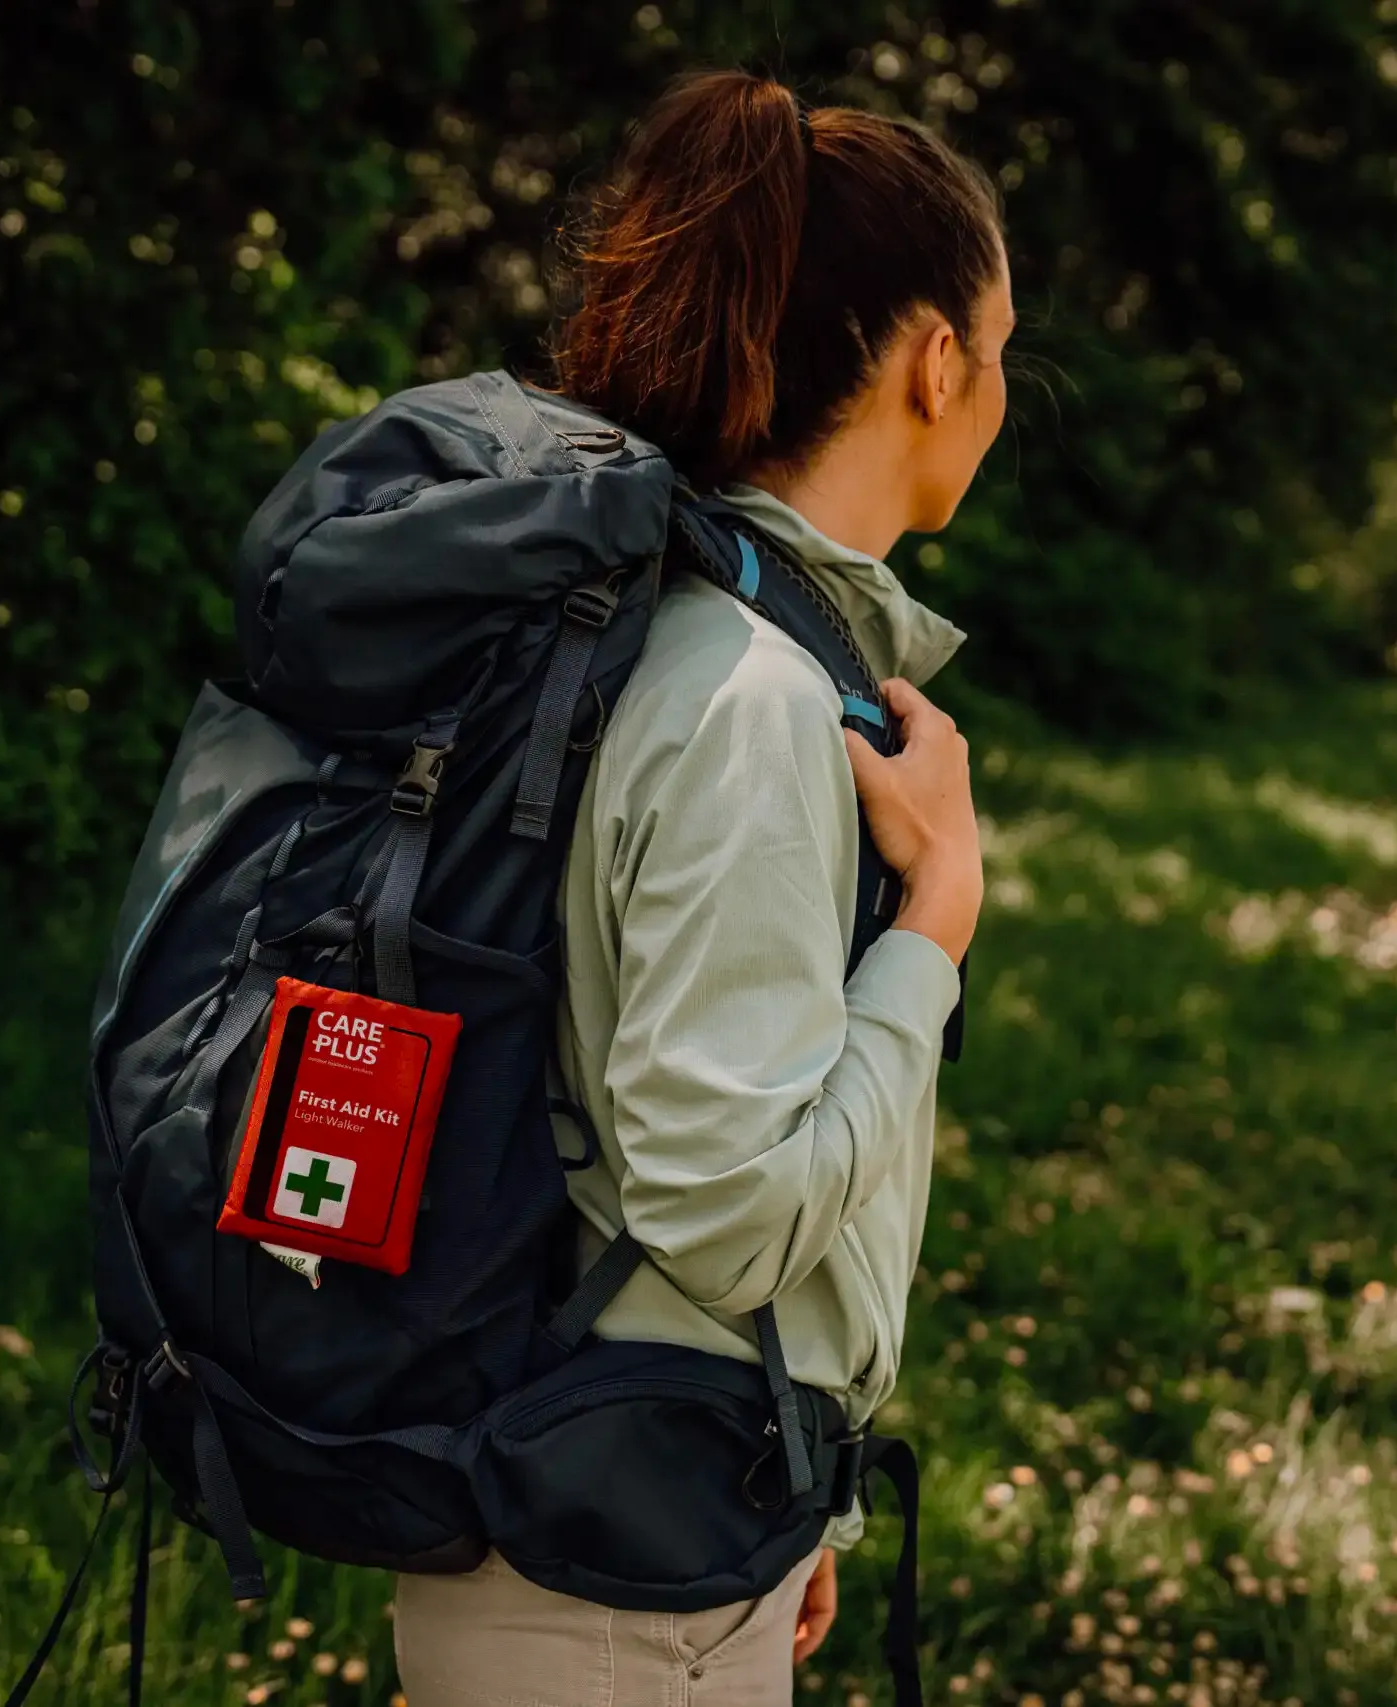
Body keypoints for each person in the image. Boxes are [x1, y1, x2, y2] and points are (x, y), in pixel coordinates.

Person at [391, 71, 1010, 1702]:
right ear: (937, 362)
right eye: (1004, 350)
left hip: (636, 1493)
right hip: (594, 1584)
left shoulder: (659, 622)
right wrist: (939, 911)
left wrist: (793, 1470)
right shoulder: (745, 696)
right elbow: (728, 1207)